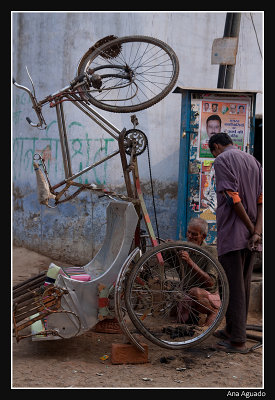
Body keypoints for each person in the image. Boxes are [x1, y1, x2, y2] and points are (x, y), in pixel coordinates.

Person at [208, 132, 262, 354]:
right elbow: (262, 200)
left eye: (213, 151)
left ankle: (238, 340)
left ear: (217, 147)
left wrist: (250, 228)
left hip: (234, 234)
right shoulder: (254, 161)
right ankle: (232, 330)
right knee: (241, 284)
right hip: (252, 238)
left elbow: (232, 197)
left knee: (233, 287)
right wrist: (257, 232)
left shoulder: (222, 160)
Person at [175, 217, 221, 326]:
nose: (190, 237)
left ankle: (213, 311)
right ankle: (193, 314)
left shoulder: (210, 252)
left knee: (195, 292)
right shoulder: (184, 248)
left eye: (194, 234)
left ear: (203, 236)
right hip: (188, 295)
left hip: (207, 296)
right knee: (178, 318)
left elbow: (210, 282)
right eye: (189, 232)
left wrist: (190, 262)